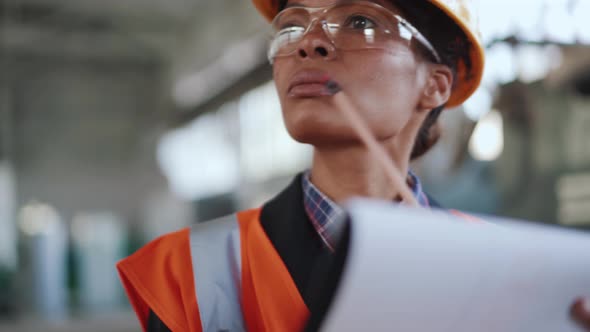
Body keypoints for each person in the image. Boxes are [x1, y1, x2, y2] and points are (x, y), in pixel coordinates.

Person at [116, 0, 590, 331]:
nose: (308, 44)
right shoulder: (188, 271)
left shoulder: (505, 269)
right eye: (291, 27)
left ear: (435, 86)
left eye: (360, 22)